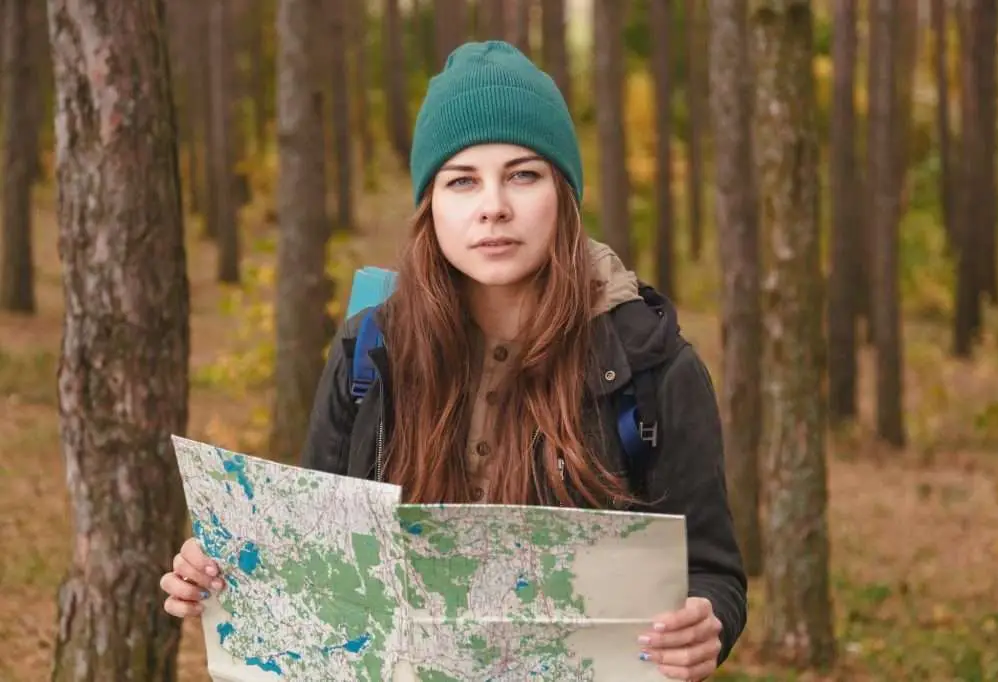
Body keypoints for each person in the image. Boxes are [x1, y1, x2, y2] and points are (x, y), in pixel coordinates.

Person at [160, 40, 747, 681]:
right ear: (431, 204)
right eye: (462, 180)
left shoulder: (649, 364)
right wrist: (223, 574)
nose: (493, 205)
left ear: (564, 194)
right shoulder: (369, 351)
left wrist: (705, 623)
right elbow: (319, 560)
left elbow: (713, 572)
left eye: (523, 174)